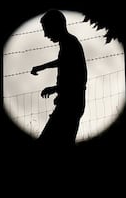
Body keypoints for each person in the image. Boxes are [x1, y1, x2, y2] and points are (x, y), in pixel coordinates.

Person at [31, 9, 87, 146]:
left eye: (46, 29)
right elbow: (63, 62)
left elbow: (79, 78)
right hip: (69, 103)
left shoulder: (70, 43)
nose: (45, 35)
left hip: (70, 105)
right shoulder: (68, 43)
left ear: (56, 26)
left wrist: (57, 89)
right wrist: (41, 68)